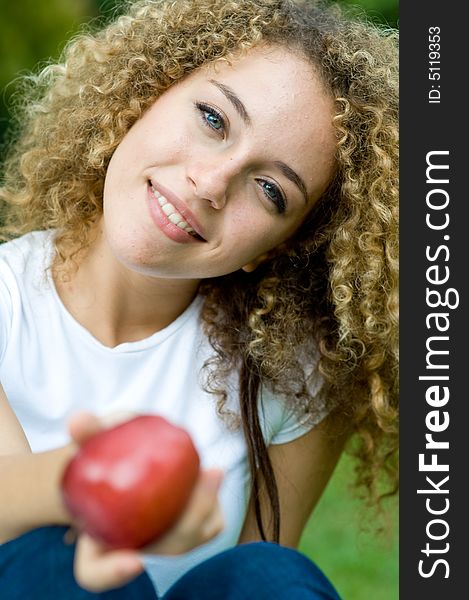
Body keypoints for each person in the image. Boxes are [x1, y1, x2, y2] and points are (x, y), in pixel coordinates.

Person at [0, 0, 398, 598]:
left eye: (269, 190)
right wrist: (98, 484)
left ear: (277, 246)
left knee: (271, 574)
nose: (210, 184)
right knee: (51, 556)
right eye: (213, 118)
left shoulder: (293, 374)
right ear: (145, 94)